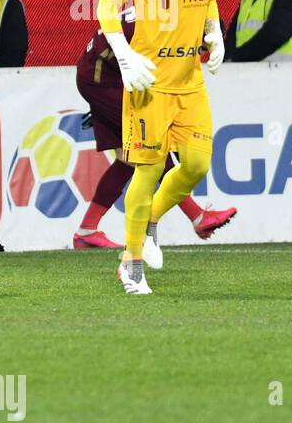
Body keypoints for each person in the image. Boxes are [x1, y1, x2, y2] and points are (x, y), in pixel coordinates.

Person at [95, 0, 225, 295]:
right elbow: (107, 3)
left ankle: (150, 218)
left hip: (190, 80)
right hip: (150, 83)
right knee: (147, 171)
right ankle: (131, 262)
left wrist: (214, 29)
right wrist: (124, 53)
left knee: (196, 165)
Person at [74, 24, 237, 252]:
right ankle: (197, 216)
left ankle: (87, 231)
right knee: (151, 148)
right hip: (105, 80)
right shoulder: (172, 33)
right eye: (201, 47)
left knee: (128, 158)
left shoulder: (170, 17)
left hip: (103, 75)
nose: (199, 54)